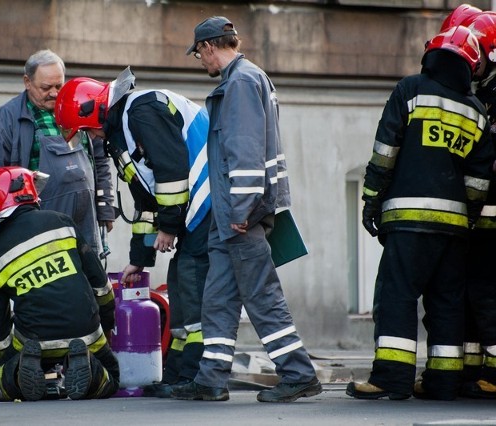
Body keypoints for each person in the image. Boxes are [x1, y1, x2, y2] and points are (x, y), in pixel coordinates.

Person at [172, 16, 322, 403]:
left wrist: (240, 209)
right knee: (218, 299)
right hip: (232, 216)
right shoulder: (247, 78)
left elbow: (245, 152)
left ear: (208, 46)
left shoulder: (239, 83)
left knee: (260, 295)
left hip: (240, 216)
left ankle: (298, 373)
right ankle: (211, 379)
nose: (199, 62)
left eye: (198, 54)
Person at [347, 25, 494, 401]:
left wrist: (371, 200)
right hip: (456, 230)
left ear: (432, 54)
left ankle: (391, 379)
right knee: (446, 303)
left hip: (409, 223)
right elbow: (479, 179)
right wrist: (469, 217)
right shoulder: (476, 109)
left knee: (397, 296)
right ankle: (442, 383)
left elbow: (385, 151)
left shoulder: (410, 89)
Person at [54, 67, 212, 398]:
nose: (92, 138)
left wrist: (168, 227)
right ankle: (178, 373)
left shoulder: (141, 110)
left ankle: (197, 374)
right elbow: (145, 200)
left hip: (211, 201)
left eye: (88, 131)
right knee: (182, 281)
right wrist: (139, 260)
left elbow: (172, 169)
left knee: (192, 280)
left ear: (94, 109)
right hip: (194, 208)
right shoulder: (121, 131)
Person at [0, 166, 119, 401]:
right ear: (28, 192)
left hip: (33, 339)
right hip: (86, 333)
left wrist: (8, 362)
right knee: (111, 376)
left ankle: (18, 374)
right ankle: (88, 367)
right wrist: (105, 326)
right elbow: (101, 287)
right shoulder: (61, 223)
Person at [0, 49, 115, 257]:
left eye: (59, 86)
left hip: (86, 221)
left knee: (88, 281)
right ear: (27, 81)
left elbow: (100, 160)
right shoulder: (7, 120)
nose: (54, 93)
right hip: (39, 225)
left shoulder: (79, 108)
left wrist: (105, 206)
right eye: (45, 87)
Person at [442, 10, 496, 399]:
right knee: (475, 295)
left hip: (491, 215)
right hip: (482, 217)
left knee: (486, 294)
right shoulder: (485, 94)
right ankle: (475, 371)